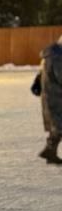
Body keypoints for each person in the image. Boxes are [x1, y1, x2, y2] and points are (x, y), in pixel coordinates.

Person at [35, 34, 62, 164]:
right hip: (56, 97)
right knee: (58, 125)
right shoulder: (58, 58)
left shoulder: (51, 56)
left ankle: (49, 151)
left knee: (58, 125)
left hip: (50, 95)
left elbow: (41, 74)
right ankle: (49, 151)